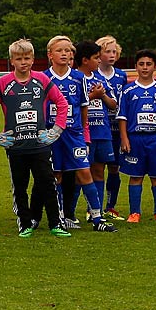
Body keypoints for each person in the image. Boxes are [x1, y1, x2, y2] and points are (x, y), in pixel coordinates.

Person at [0, 39, 73, 237]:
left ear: (33, 59)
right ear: (12, 60)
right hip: (16, 146)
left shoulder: (42, 80)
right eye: (19, 58)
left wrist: (56, 130)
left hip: (40, 144)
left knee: (48, 183)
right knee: (20, 187)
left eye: (27, 58)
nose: (23, 62)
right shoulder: (3, 83)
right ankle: (25, 224)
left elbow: (62, 103)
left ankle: (56, 223)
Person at [44, 36, 112, 232]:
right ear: (50, 55)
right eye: (60, 50)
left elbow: (84, 107)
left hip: (74, 134)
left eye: (68, 51)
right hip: (52, 134)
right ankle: (59, 217)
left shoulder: (78, 78)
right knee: (56, 174)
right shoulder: (43, 78)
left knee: (84, 172)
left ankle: (98, 218)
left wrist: (83, 133)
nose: (65, 54)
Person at [117, 49, 156, 222]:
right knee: (136, 176)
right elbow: (122, 117)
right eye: (141, 64)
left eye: (148, 64)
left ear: (155, 67)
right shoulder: (128, 91)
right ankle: (135, 213)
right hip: (135, 139)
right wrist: (124, 138)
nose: (145, 67)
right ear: (136, 67)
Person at [79, 39, 121, 223]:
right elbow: (72, 103)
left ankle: (95, 210)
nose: (99, 61)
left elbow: (113, 105)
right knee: (79, 172)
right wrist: (91, 96)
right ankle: (69, 211)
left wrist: (102, 95)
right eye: (96, 57)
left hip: (102, 132)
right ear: (85, 60)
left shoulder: (100, 79)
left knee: (99, 170)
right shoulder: (75, 78)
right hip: (82, 133)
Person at [92, 36, 129, 216]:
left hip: (117, 128)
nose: (112, 55)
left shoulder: (121, 75)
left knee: (115, 167)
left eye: (114, 51)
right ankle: (93, 206)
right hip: (98, 127)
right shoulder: (93, 74)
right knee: (96, 168)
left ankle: (110, 206)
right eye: (107, 51)